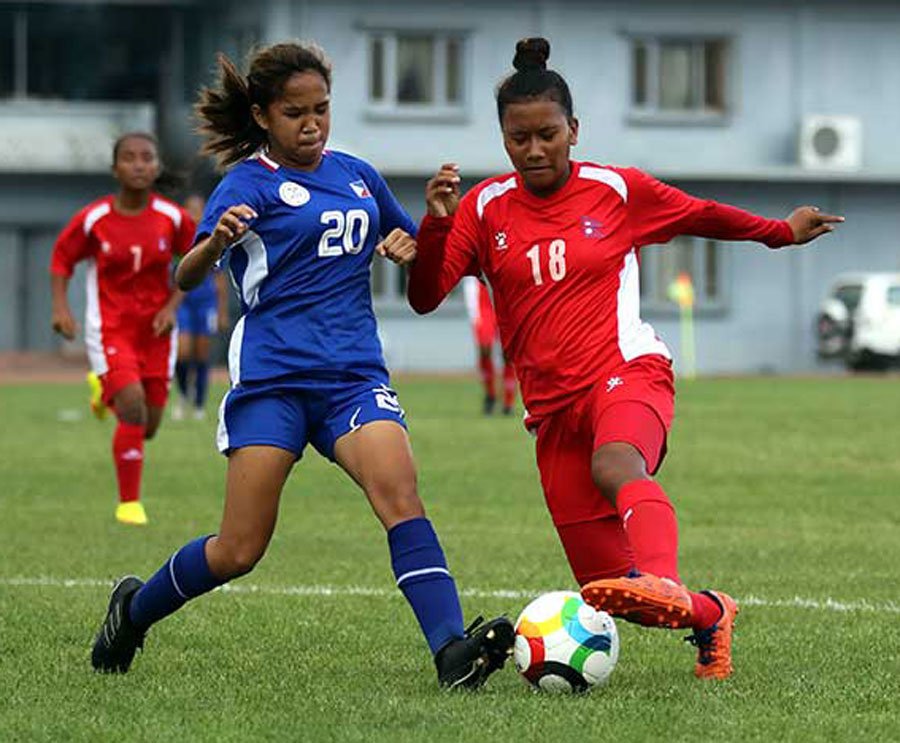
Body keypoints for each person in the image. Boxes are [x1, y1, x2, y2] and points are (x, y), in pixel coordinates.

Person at [408, 37, 843, 680]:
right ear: (503, 138)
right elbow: (424, 296)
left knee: (617, 466)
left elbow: (700, 214)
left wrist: (779, 232)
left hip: (627, 371)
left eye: (548, 134)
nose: (535, 149)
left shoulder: (616, 190)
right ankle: (710, 612)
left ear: (574, 130)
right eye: (519, 138)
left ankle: (663, 576)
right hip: (552, 414)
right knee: (611, 590)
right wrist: (438, 223)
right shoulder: (483, 208)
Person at [88, 41, 514, 688]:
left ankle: (451, 650)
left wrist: (426, 232)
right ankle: (133, 612)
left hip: (353, 378)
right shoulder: (246, 184)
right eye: (295, 113)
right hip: (274, 382)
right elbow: (186, 273)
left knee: (401, 497)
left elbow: (425, 270)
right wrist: (216, 241)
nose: (312, 124)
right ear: (263, 116)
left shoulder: (358, 176)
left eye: (321, 109)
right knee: (239, 549)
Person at [50, 132, 196, 527]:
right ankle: (129, 505)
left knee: (148, 425)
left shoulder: (172, 217)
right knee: (132, 408)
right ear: (115, 168)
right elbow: (62, 259)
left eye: (147, 157)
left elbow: (197, 261)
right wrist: (61, 308)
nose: (138, 165)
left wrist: (171, 307)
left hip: (157, 332)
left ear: (157, 167)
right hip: (111, 329)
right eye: (129, 158)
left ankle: (104, 392)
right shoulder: (95, 218)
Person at [172, 194, 229, 421]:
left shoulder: (210, 237)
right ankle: (183, 394)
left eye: (198, 210)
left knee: (201, 352)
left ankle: (198, 403)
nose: (193, 215)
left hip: (206, 303)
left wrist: (222, 311)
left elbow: (219, 278)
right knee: (182, 351)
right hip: (183, 303)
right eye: (190, 210)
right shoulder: (177, 237)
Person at [462, 275, 517, 415]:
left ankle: (508, 401)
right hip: (481, 293)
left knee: (508, 351)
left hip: (503, 292)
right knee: (484, 347)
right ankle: (490, 394)